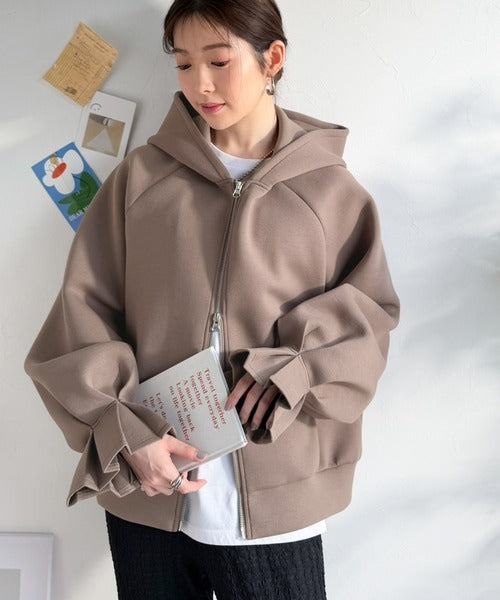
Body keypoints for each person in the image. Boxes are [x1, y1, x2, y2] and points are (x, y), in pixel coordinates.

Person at [24, 0, 400, 598]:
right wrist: (125, 431)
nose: (200, 84)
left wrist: (296, 368)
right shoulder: (140, 180)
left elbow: (368, 323)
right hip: (152, 492)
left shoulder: (330, 192)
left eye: (219, 62)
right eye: (183, 64)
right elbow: (81, 313)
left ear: (272, 58)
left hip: (278, 500)